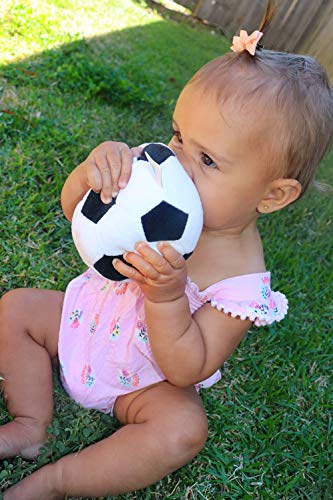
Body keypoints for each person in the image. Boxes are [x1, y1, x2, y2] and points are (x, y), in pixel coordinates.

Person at [1, 2, 332, 498]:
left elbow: (187, 368)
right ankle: (31, 424)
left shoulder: (242, 282)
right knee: (16, 307)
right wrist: (92, 173)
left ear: (272, 195)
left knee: (182, 430)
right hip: (83, 322)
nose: (175, 159)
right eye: (178, 135)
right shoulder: (152, 178)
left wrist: (166, 297)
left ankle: (60, 480)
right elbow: (76, 211)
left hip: (144, 382)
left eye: (207, 159)